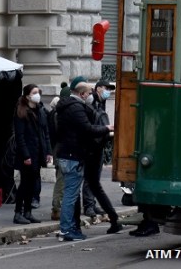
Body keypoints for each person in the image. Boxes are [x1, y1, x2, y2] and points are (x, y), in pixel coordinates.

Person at [54, 79, 113, 241]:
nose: (89, 96)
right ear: (81, 94)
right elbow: (87, 129)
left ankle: (70, 228)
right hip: (73, 155)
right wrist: (106, 128)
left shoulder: (66, 106)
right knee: (70, 195)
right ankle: (66, 230)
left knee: (70, 193)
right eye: (87, 93)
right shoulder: (76, 108)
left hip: (65, 154)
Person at [81, 82, 122, 233]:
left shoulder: (98, 103)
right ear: (98, 89)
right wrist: (105, 129)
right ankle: (105, 214)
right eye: (106, 89)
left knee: (93, 183)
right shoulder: (92, 102)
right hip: (93, 148)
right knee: (93, 184)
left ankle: (110, 216)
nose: (108, 92)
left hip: (93, 149)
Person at [12, 84, 52, 225]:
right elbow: (20, 137)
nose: (37, 94)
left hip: (38, 152)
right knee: (25, 184)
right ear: (27, 95)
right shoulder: (22, 112)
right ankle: (18, 213)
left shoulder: (40, 110)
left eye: (38, 92)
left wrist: (48, 151)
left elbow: (45, 133)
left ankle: (28, 212)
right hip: (28, 154)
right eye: (34, 92)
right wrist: (26, 155)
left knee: (32, 183)